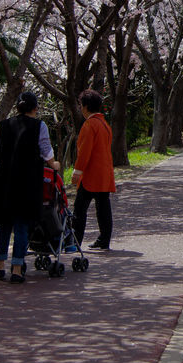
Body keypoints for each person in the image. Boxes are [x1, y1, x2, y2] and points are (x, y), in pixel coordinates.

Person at [0, 91, 60, 283]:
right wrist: (54, 165)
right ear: (35, 108)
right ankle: (17, 270)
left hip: (4, 180)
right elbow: (45, 149)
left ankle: (0, 267)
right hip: (27, 181)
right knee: (21, 225)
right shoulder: (39, 126)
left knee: (3, 224)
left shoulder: (3, 125)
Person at [72, 89, 115, 251]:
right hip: (104, 173)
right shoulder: (105, 124)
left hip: (91, 175)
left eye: (81, 105)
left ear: (86, 106)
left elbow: (84, 152)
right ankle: (104, 239)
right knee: (103, 207)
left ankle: (75, 241)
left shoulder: (90, 125)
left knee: (79, 209)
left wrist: (77, 171)